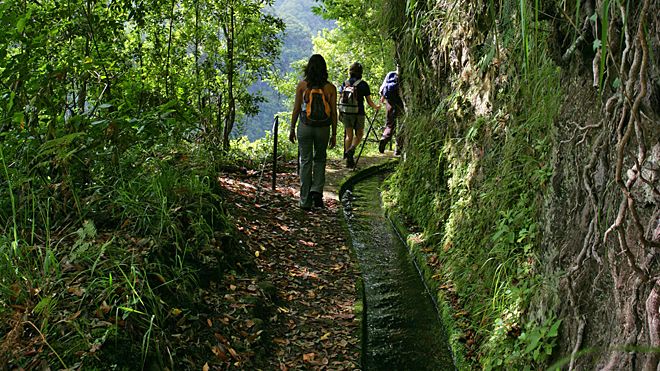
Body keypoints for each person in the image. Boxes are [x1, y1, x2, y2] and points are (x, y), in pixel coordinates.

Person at [289, 54, 337, 210]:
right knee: (320, 159)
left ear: (308, 68)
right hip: (323, 128)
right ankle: (316, 191)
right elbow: (334, 112)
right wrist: (334, 133)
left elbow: (297, 108)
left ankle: (304, 201)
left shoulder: (302, 86)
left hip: (305, 126)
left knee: (306, 161)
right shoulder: (330, 88)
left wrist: (292, 128)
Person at [338, 62, 380, 168]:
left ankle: (348, 160)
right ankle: (351, 150)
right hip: (359, 112)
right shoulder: (363, 84)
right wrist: (376, 107)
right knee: (359, 134)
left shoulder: (345, 83)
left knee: (349, 136)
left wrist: (340, 112)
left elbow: (340, 98)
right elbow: (369, 102)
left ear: (350, 72)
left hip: (346, 112)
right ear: (360, 72)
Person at [378, 67, 404, 155]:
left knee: (389, 124)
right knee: (401, 125)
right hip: (400, 103)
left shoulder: (390, 74)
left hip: (389, 103)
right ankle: (398, 149)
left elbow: (382, 89)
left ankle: (384, 138)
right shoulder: (403, 75)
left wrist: (382, 99)